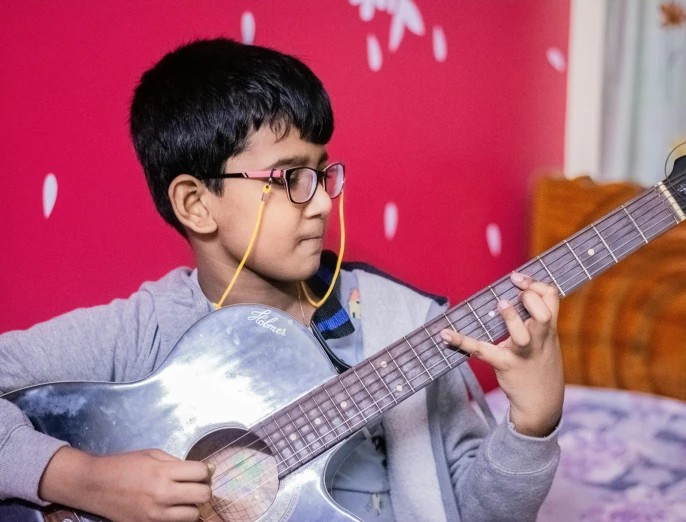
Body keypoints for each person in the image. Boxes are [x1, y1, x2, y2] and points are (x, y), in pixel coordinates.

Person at [0, 38, 564, 522]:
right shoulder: (144, 331)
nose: (320, 201)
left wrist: (532, 425)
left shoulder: (406, 325)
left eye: (322, 172)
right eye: (291, 177)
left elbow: (473, 510)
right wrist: (81, 478)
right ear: (196, 204)